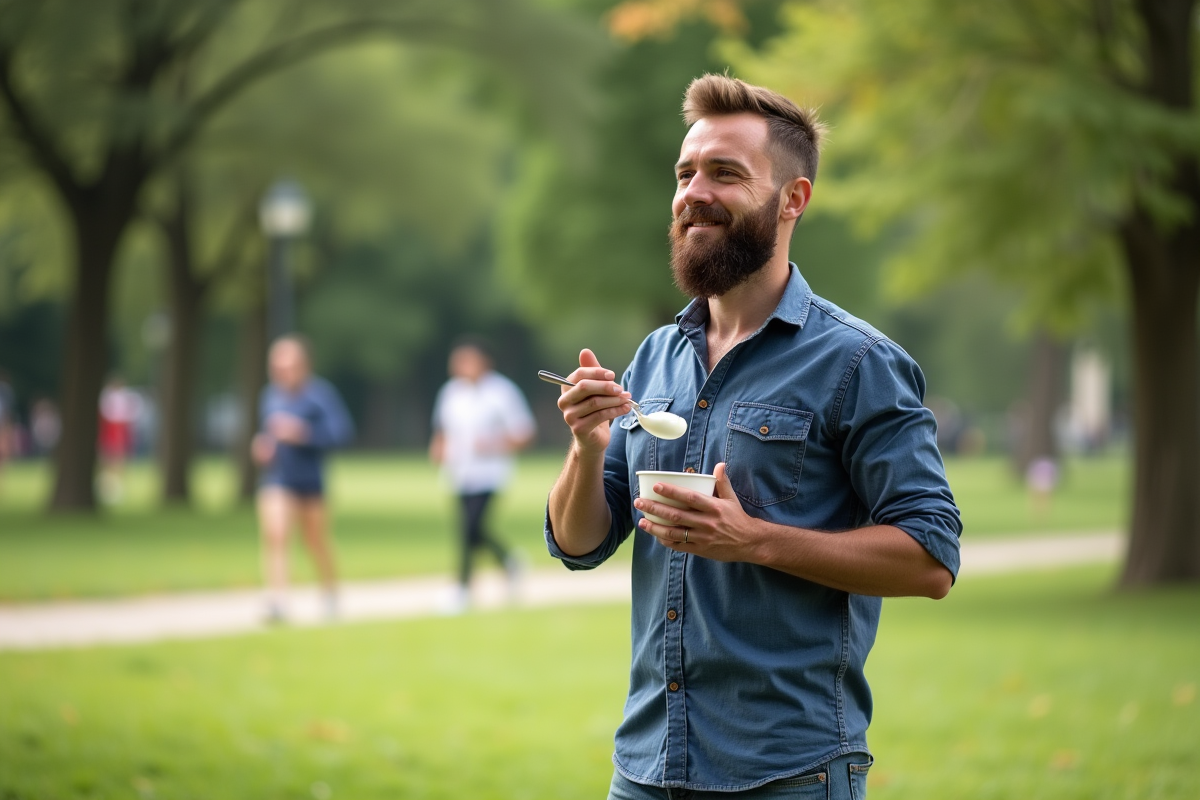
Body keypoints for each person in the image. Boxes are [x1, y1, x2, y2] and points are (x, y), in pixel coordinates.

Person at [546, 74, 962, 799]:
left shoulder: (858, 362)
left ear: (792, 199)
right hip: (645, 768)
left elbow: (931, 557)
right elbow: (580, 544)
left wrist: (755, 539)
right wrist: (586, 447)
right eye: (685, 172)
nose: (693, 192)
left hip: (787, 774)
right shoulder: (656, 357)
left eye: (725, 173)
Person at [252, 335, 354, 623]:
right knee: (276, 534)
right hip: (277, 478)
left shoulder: (320, 396)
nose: (282, 372)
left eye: (289, 365)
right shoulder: (270, 396)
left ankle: (330, 591)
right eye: (277, 366)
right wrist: (263, 446)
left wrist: (303, 434)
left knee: (315, 541)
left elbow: (341, 434)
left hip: (310, 481)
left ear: (304, 365)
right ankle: (278, 601)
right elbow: (268, 434)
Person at [429, 341, 536, 613]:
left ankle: (463, 588)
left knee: (470, 529)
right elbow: (442, 428)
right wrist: (438, 447)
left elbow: (524, 433)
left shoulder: (502, 393)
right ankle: (509, 562)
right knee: (470, 530)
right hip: (458, 472)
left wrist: (494, 444)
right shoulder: (451, 393)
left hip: (490, 474)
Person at [97, 376, 142, 503]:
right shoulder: (108, 397)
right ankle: (108, 486)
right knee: (110, 460)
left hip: (117, 431)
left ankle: (113, 487)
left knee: (117, 461)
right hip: (111, 431)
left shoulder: (121, 397)